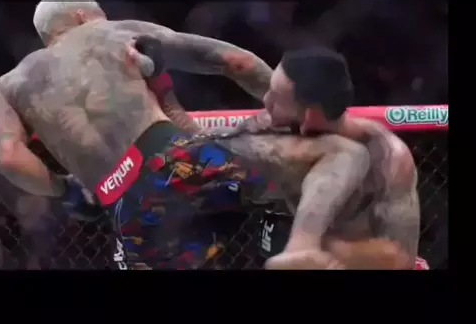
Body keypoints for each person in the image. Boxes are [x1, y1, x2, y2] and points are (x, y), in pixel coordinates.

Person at [0, 0, 371, 269]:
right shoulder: (110, 32)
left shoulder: (9, 85)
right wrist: (291, 116)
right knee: (328, 159)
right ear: (82, 17)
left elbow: (8, 156)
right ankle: (294, 251)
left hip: (128, 209)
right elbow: (235, 62)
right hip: (180, 162)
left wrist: (64, 189)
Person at [133, 45, 422, 269]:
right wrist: (162, 90)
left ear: (309, 116)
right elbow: (201, 147)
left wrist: (323, 250)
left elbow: (401, 256)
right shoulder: (273, 127)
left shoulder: (387, 157)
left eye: (276, 97)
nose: (266, 102)